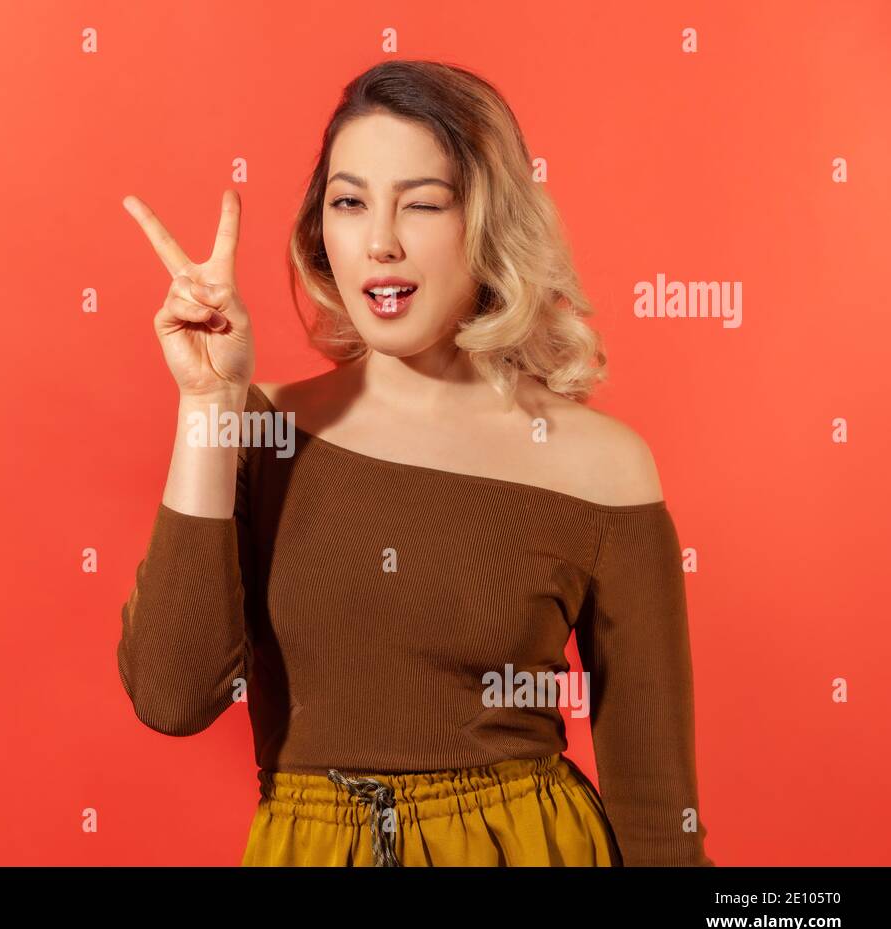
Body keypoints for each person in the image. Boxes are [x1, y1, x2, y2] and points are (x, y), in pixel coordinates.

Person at [117, 59, 713, 867]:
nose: (381, 243)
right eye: (350, 202)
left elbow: (660, 823)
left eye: (424, 204)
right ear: (320, 232)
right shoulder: (258, 431)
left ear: (490, 225)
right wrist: (209, 405)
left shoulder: (602, 465)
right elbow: (172, 696)